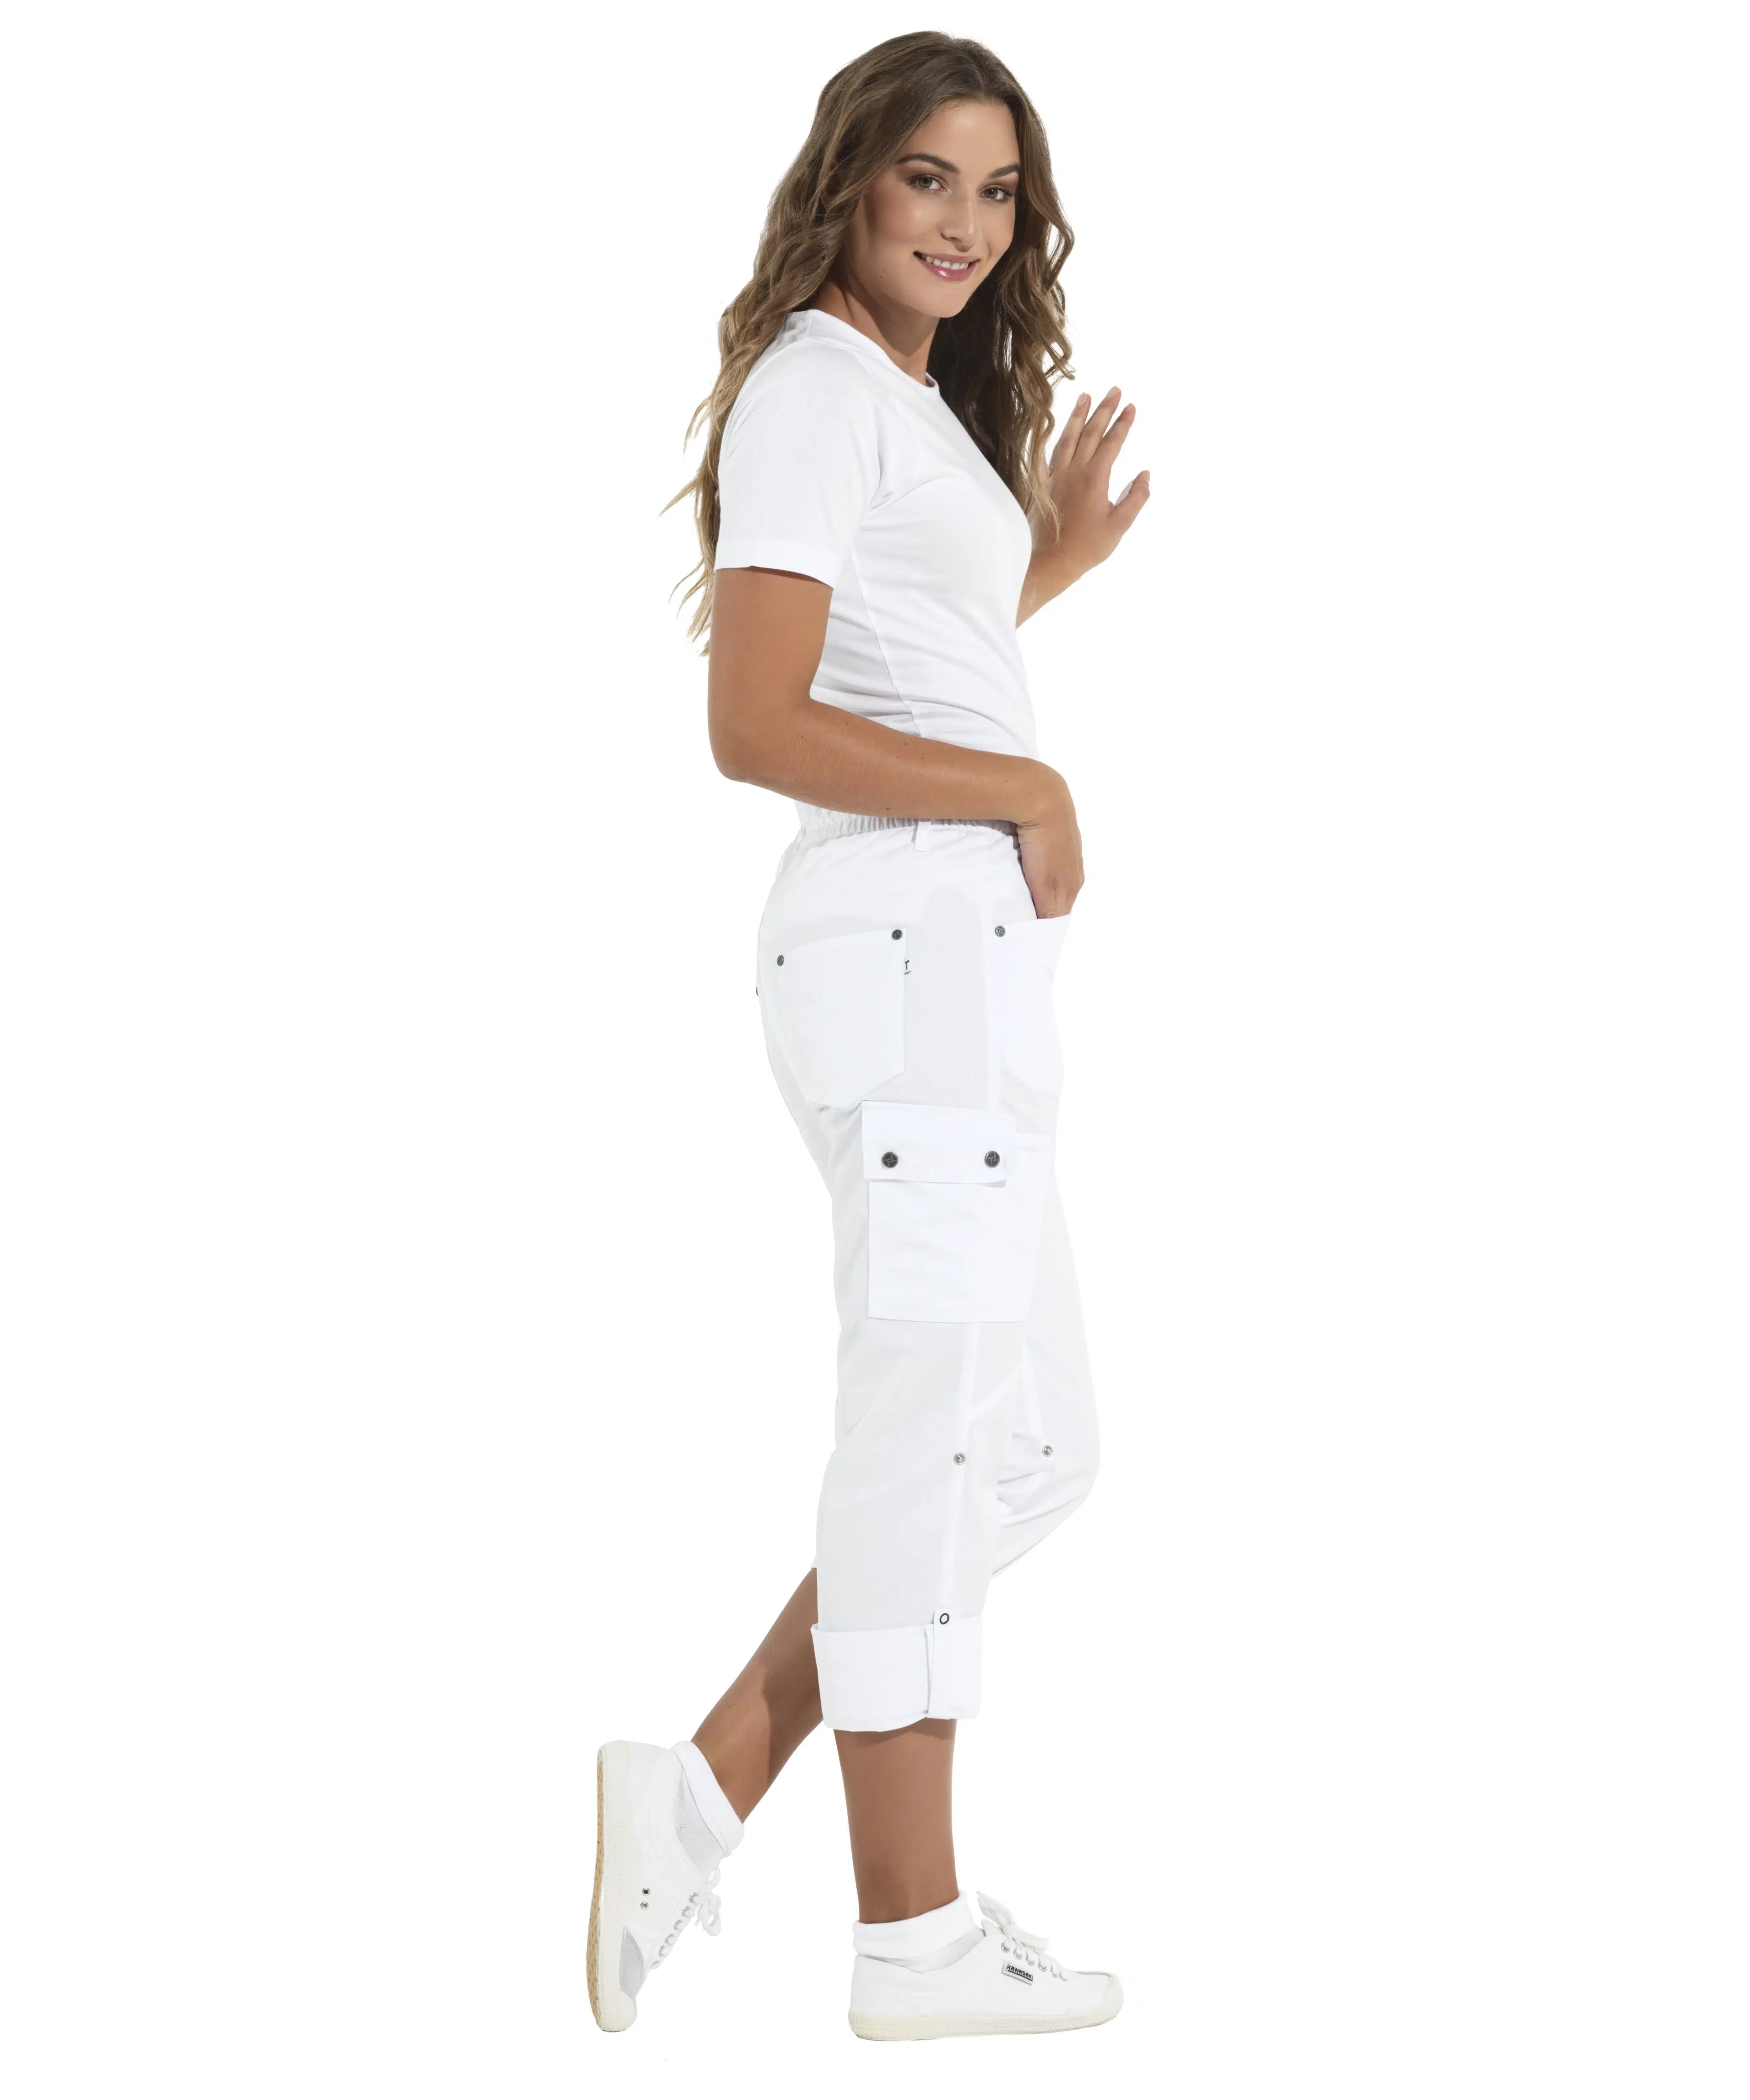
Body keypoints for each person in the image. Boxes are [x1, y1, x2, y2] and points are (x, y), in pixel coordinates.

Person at [587, 31, 1149, 2042]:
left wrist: (1039, 561)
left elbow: (910, 656)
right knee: (929, 1432)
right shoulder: (818, 390)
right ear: (848, 181)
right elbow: (754, 720)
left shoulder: (895, 405)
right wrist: (1030, 787)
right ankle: (910, 1938)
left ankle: (702, 1789)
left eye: (998, 194)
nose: (967, 226)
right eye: (930, 178)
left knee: (1030, 1442)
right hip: (910, 941)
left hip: (948, 955)